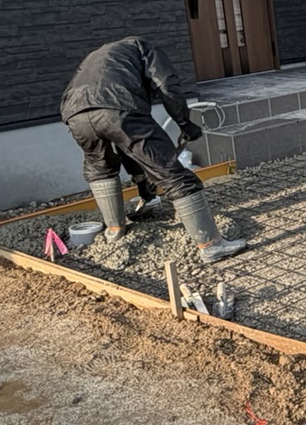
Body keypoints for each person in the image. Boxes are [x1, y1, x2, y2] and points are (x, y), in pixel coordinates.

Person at [60, 36, 246, 264]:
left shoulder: (98, 57)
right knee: (174, 174)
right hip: (119, 107)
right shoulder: (144, 48)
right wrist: (184, 122)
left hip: (74, 114)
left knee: (100, 166)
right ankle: (211, 245)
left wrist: (145, 190)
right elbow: (167, 86)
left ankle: (115, 231)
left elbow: (129, 149)